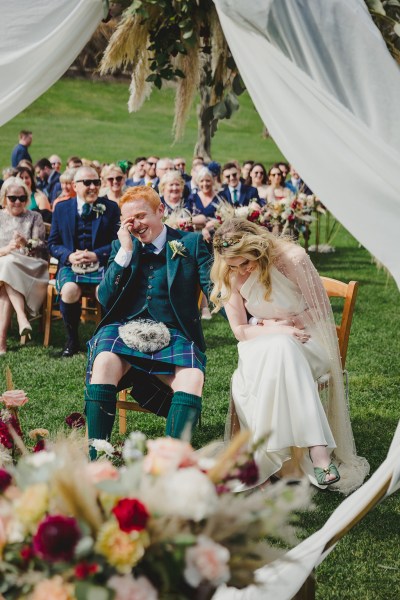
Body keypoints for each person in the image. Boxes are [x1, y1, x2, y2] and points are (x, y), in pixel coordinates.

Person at [210, 218, 369, 494]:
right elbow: (240, 330)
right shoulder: (229, 271)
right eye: (234, 266)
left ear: (258, 248)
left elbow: (320, 309)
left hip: (308, 339)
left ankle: (263, 465)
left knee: (284, 350)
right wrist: (275, 329)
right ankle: (318, 450)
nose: (240, 270)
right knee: (280, 349)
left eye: (245, 263)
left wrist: (291, 328)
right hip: (260, 343)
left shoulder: (292, 259)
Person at [84, 185, 211, 458]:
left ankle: (171, 462)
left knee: (192, 376)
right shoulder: (122, 246)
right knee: (104, 361)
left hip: (174, 331)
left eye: (142, 216)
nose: (137, 225)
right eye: (129, 220)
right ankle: (96, 457)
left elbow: (214, 286)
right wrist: (126, 251)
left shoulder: (190, 243)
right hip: (122, 328)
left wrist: (251, 313)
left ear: (161, 211)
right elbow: (105, 297)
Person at [48, 166, 120, 357]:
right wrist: (69, 256)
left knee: (104, 291)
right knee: (70, 290)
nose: (92, 187)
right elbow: (53, 243)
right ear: (75, 185)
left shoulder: (111, 208)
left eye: (96, 182)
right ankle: (72, 341)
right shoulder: (62, 208)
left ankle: (105, 340)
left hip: (101, 264)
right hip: (72, 264)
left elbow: (118, 242)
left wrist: (97, 254)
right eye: (87, 183)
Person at [0, 177, 48, 355]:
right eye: (13, 198)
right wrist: (7, 249)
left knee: (7, 268)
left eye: (21, 198)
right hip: (5, 268)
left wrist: (25, 243)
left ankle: (2, 343)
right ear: (5, 198)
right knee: (6, 270)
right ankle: (21, 319)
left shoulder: (34, 217)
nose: (17, 202)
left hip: (30, 268)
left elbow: (42, 246)